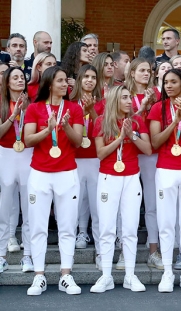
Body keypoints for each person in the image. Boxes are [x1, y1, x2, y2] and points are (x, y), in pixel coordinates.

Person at [23, 66, 84, 295]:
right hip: (39, 173)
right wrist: (48, 130)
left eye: (66, 81)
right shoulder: (35, 109)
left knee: (68, 226)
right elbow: (28, 140)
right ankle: (39, 276)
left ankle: (65, 275)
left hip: (67, 172)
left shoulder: (74, 108)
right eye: (60, 81)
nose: (65, 85)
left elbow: (78, 142)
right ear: (49, 84)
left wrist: (65, 125)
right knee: (38, 226)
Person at [90, 85, 152, 293]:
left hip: (132, 177)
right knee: (107, 227)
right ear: (115, 99)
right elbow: (100, 153)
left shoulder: (137, 121)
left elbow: (148, 149)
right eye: (124, 97)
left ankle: (130, 275)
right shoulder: (101, 121)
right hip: (108, 177)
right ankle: (106, 275)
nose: (129, 101)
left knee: (130, 228)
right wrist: (119, 138)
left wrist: (132, 135)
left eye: (130, 97)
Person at [148, 68, 181, 293]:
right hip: (166, 169)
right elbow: (155, 142)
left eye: (173, 82)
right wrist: (174, 122)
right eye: (165, 82)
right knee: (167, 222)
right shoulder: (157, 107)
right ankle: (168, 272)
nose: (168, 85)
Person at [125, 58, 162, 271]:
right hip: (129, 151)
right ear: (132, 73)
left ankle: (153, 250)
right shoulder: (124, 94)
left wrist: (151, 104)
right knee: (126, 202)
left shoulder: (157, 95)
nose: (146, 74)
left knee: (151, 202)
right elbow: (125, 121)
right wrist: (143, 108)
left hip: (150, 153)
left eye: (149, 70)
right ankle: (123, 249)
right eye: (142, 70)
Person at [0, 67, 33, 274]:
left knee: (29, 207)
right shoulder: (2, 104)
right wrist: (14, 115)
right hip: (6, 154)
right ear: (7, 82)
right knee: (5, 208)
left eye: (22, 77)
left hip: (28, 155)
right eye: (15, 77)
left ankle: (28, 255)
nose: (20, 80)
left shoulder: (33, 105)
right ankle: (1, 255)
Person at [69, 65, 102, 261]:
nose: (89, 80)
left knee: (97, 204)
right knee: (76, 201)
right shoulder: (71, 103)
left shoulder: (102, 103)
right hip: (75, 158)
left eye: (93, 77)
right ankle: (80, 233)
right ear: (79, 79)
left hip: (96, 158)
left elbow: (105, 128)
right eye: (86, 77)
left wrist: (92, 111)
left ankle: (100, 249)